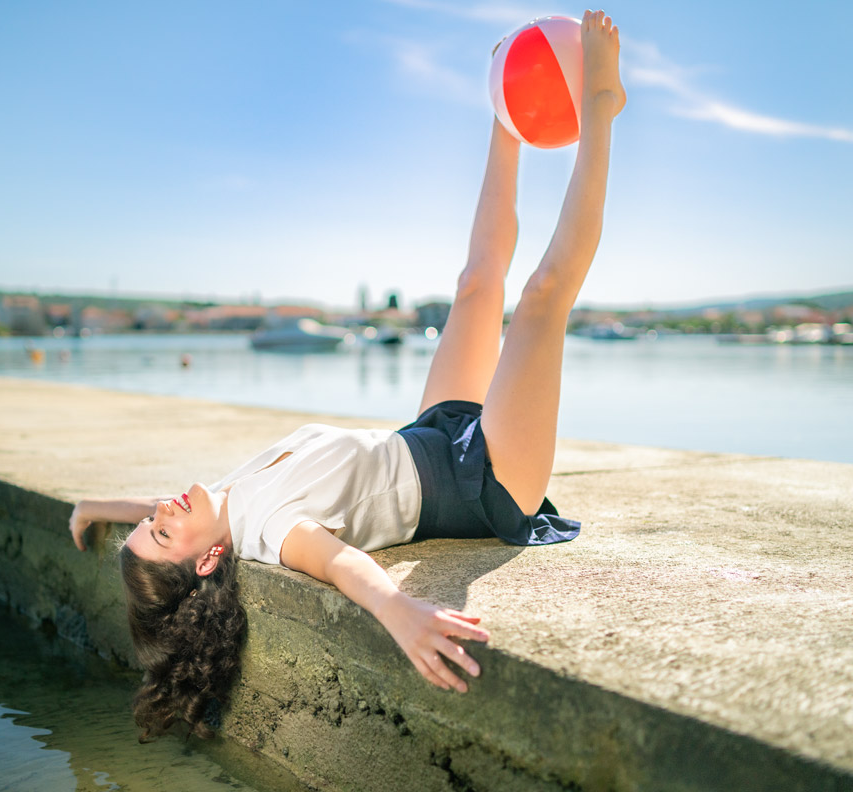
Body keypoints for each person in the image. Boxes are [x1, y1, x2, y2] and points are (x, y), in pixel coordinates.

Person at [68, 9, 626, 741]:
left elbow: (153, 504)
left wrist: (94, 507)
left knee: (474, 284)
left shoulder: (230, 497)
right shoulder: (272, 528)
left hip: (430, 435)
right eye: (161, 533)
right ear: (209, 558)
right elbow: (342, 567)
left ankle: (505, 119)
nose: (159, 512)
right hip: (485, 482)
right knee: (541, 296)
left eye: (147, 523)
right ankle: (601, 109)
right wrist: (403, 613)